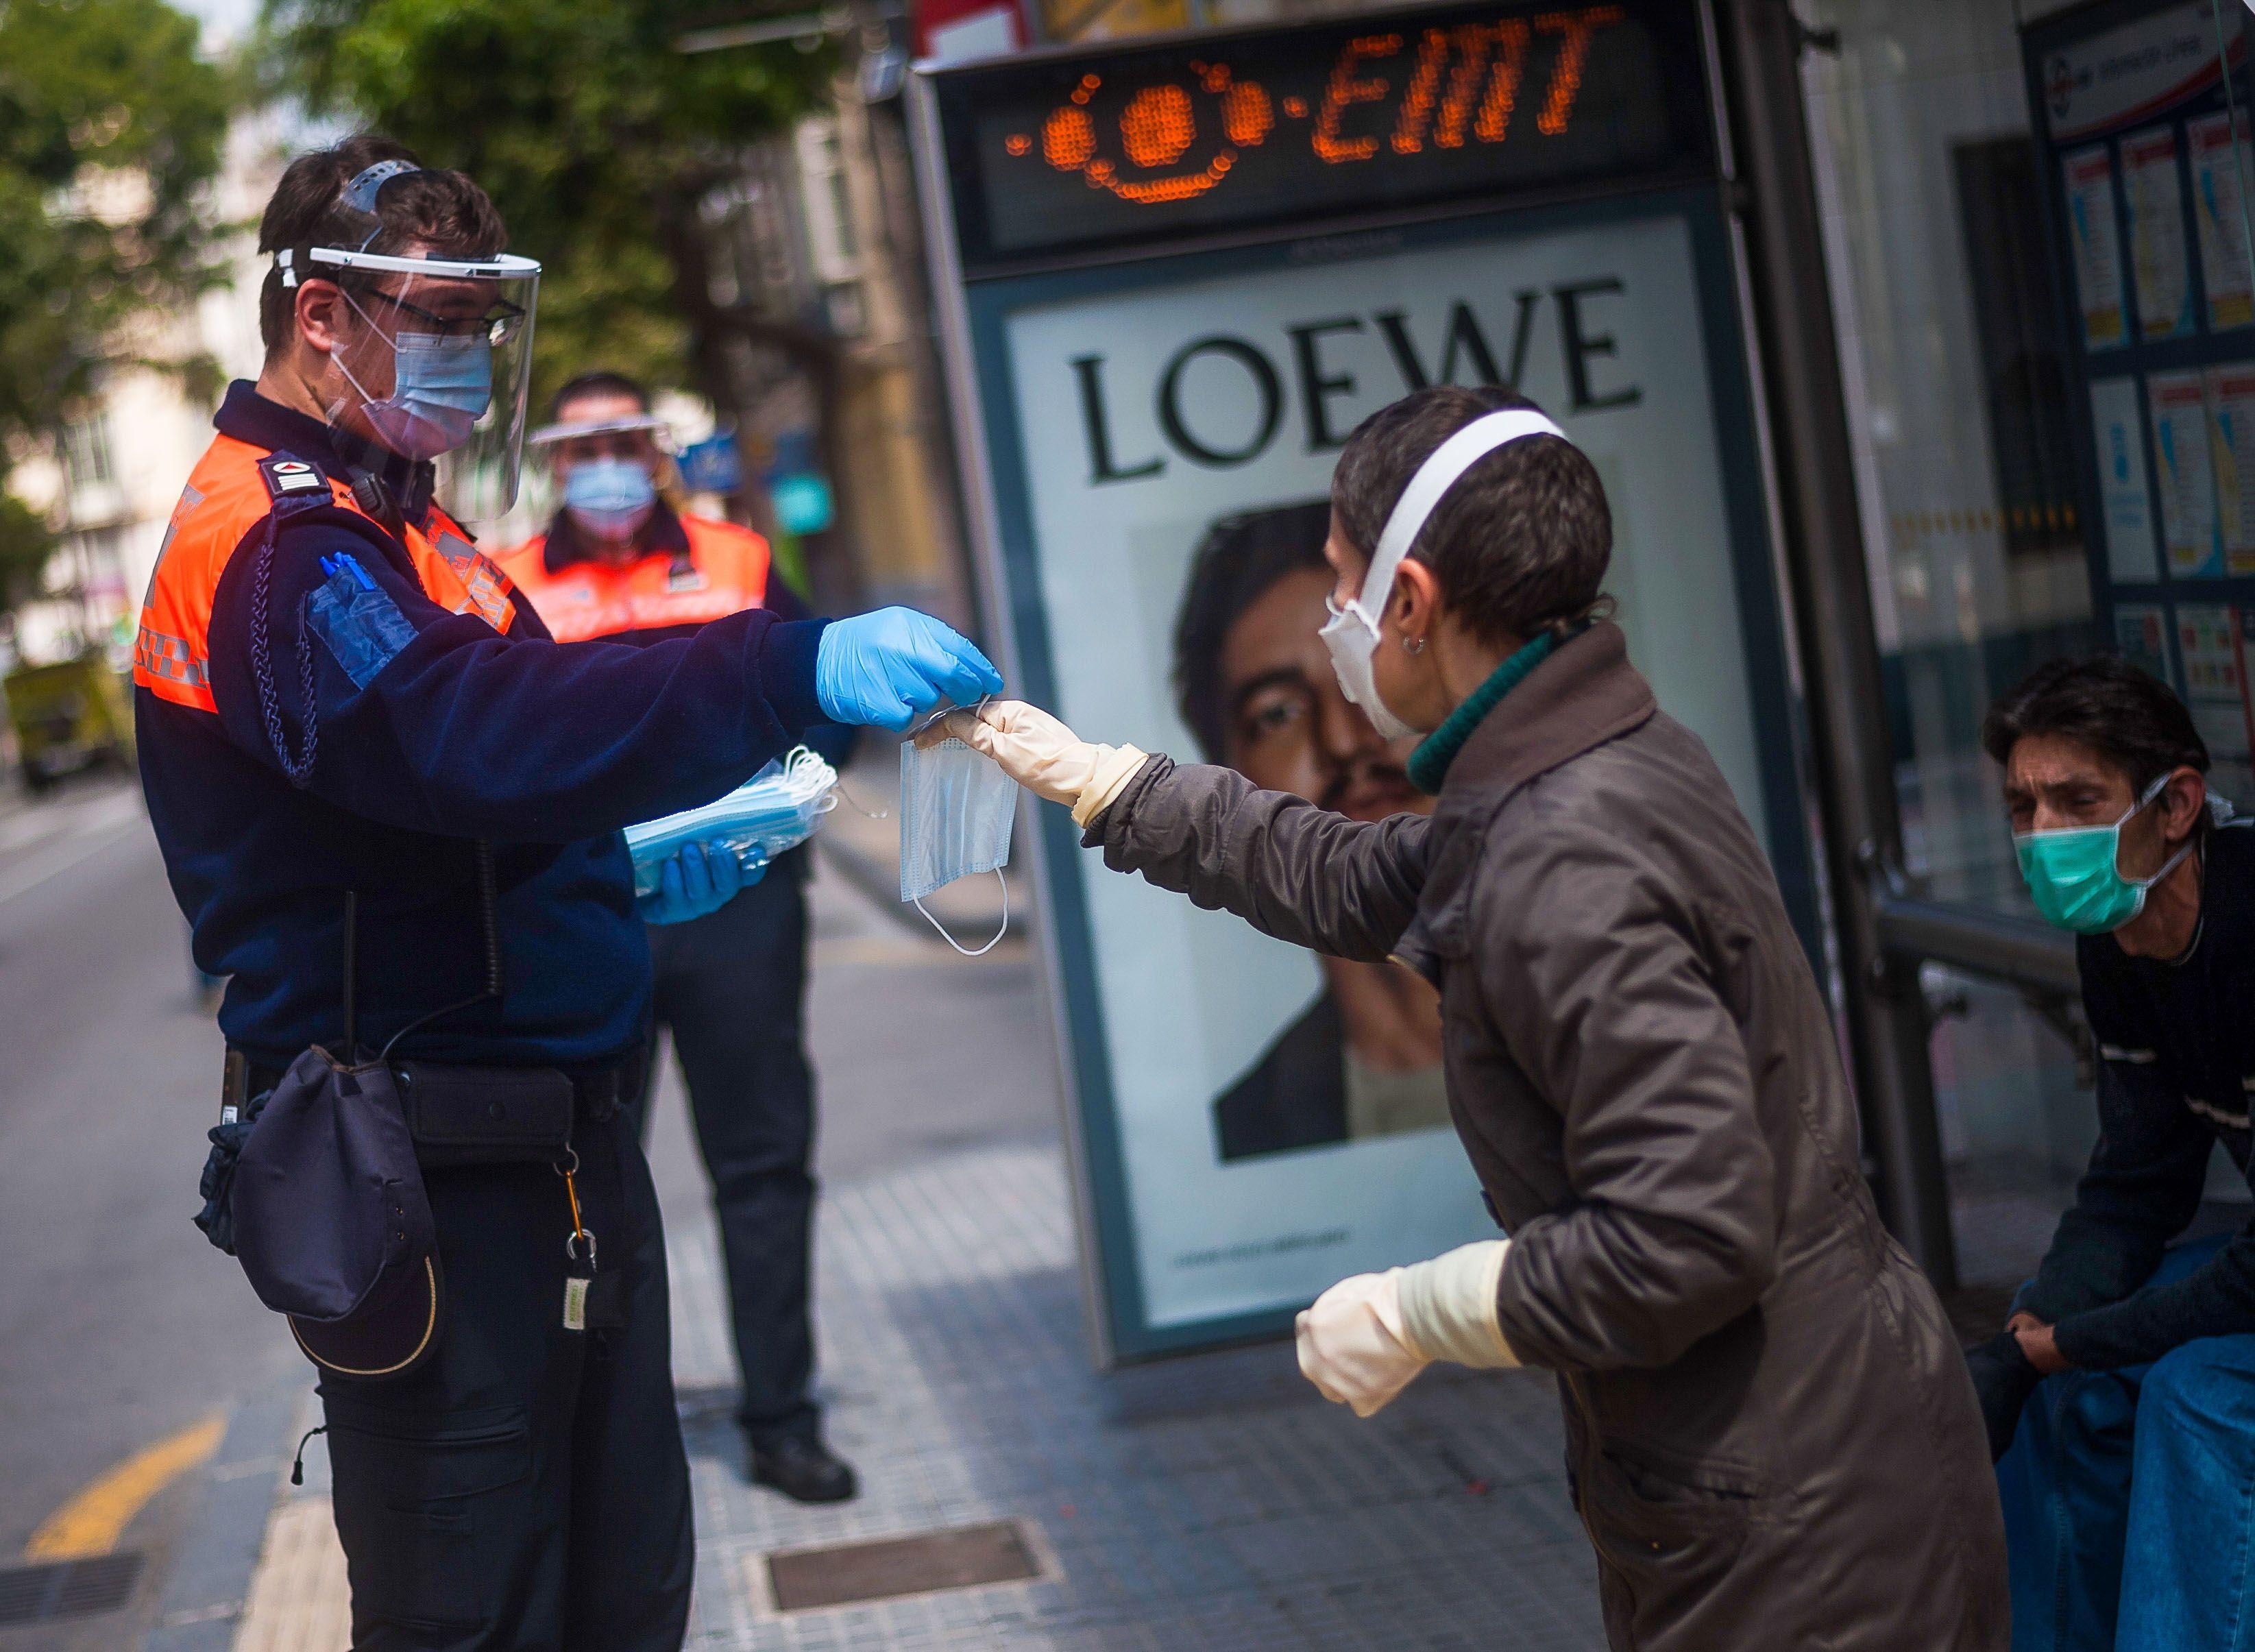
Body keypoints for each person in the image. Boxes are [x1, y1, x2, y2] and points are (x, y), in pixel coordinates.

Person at [942, 385, 2006, 1650]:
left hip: (1795, 1514)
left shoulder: (1561, 853)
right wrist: (1109, 785)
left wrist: (1419, 1311)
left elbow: (1685, 1235)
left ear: (1413, 601)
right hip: (1802, 1447)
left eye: (1342, 589)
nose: (1341, 626)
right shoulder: (1574, 757)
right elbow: (1358, 876)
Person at [134, 135, 999, 1649]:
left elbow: (477, 784)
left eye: (478, 325)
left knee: (622, 1585)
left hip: (551, 1152)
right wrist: (780, 662)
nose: (464, 359)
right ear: (321, 319)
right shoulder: (278, 541)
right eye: (433, 321)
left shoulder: (403, 514)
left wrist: (612, 872)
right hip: (428, 1171)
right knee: (481, 1606)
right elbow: (465, 734)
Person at [496, 372, 857, 1503]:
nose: (605, 462)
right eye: (583, 444)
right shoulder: (504, 586)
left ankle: (783, 1421)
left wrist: (779, 808)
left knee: (762, 1162)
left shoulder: (739, 562)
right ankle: (607, 1435)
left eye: (627, 440)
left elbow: (824, 710)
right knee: (585, 1185)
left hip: (740, 908)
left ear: (656, 450)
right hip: (589, 917)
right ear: (555, 460)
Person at [1966, 655, 2255, 1652]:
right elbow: (2136, 1179)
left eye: (2076, 800)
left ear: (2175, 804)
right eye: (2023, 806)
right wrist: (2037, 1327)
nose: (2044, 835)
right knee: (2054, 1378)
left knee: (2197, 1396)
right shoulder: (2120, 937)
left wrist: (2076, 1337)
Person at [1173, 503, 1448, 1163]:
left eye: (1370, 669)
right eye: (1278, 713)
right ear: (1230, 776)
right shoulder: (1248, 1131)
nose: (1345, 741)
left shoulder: (1623, 1022)